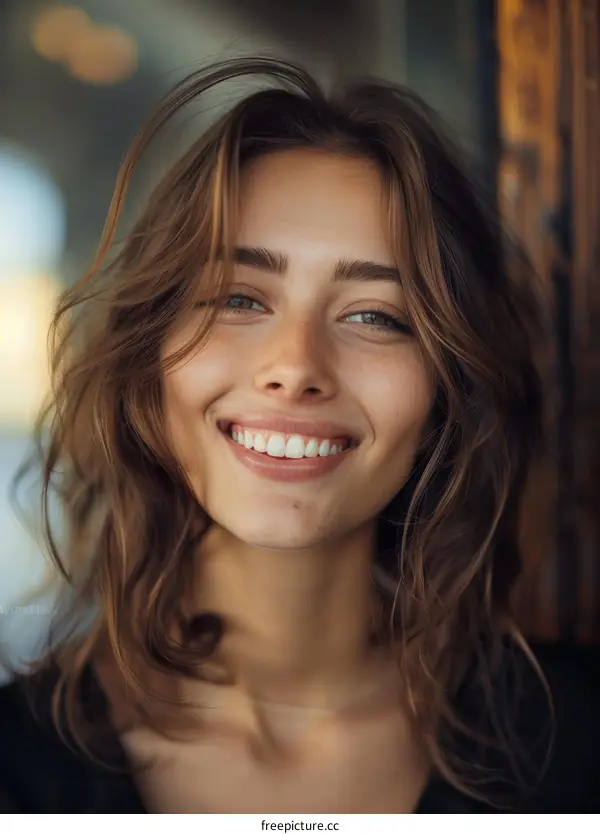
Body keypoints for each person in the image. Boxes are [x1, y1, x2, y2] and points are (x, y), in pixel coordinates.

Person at [0, 57, 598, 814]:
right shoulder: (16, 769)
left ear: (449, 388)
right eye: (240, 298)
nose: (296, 367)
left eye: (375, 315)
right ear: (148, 357)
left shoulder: (575, 752)